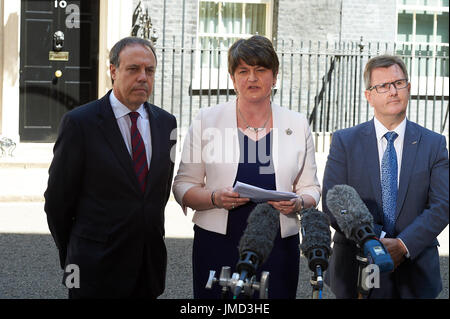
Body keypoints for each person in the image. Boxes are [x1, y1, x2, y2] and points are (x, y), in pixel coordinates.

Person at [172, 35, 321, 299]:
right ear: (233, 79)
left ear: (274, 77)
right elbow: (183, 185)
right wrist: (214, 198)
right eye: (243, 71)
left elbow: (311, 188)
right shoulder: (207, 120)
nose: (252, 78)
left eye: (260, 70)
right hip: (217, 244)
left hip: (278, 246)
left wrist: (299, 202)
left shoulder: (297, 124)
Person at [44, 36, 177, 299]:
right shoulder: (80, 123)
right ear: (113, 71)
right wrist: (74, 253)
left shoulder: (166, 123)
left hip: (147, 270)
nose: (143, 77)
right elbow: (58, 202)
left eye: (149, 70)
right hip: (93, 270)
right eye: (133, 69)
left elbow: (156, 195)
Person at [322, 55, 449, 298]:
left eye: (398, 83)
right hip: (355, 268)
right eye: (382, 86)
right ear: (368, 95)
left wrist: (403, 245)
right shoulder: (344, 142)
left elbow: (443, 204)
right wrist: (375, 239)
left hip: (415, 272)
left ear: (408, 88)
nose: (392, 91)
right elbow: (333, 201)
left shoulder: (434, 144)